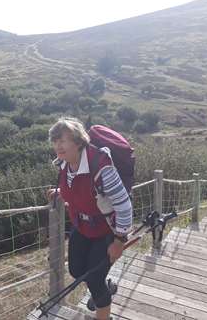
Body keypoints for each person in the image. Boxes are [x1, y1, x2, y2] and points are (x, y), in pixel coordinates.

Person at [46, 117, 132, 320]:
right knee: (76, 270)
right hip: (82, 226)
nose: (58, 145)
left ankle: (103, 314)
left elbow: (124, 205)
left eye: (63, 140)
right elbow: (77, 188)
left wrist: (119, 241)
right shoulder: (65, 164)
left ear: (77, 141)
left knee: (93, 278)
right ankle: (105, 288)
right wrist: (60, 193)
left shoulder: (100, 166)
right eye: (55, 140)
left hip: (106, 231)